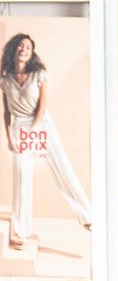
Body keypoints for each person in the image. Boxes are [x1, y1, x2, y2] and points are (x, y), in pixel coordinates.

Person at [1, 33, 92, 250]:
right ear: (13, 49)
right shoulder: (4, 78)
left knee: (61, 166)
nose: (24, 49)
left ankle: (87, 216)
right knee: (22, 176)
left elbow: (42, 106)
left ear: (32, 53)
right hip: (19, 126)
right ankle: (20, 233)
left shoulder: (39, 74)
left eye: (28, 47)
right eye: (20, 46)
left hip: (40, 123)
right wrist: (9, 137)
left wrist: (34, 130)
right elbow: (6, 111)